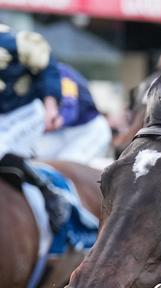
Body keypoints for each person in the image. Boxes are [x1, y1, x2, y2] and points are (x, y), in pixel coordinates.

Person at [0, 25, 70, 232]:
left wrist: (51, 107)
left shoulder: (16, 43)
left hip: (24, 112)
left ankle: (49, 192)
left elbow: (48, 68)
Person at [34, 63, 112, 164]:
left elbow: (70, 108)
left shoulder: (61, 74)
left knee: (65, 165)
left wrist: (56, 121)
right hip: (59, 133)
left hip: (88, 130)